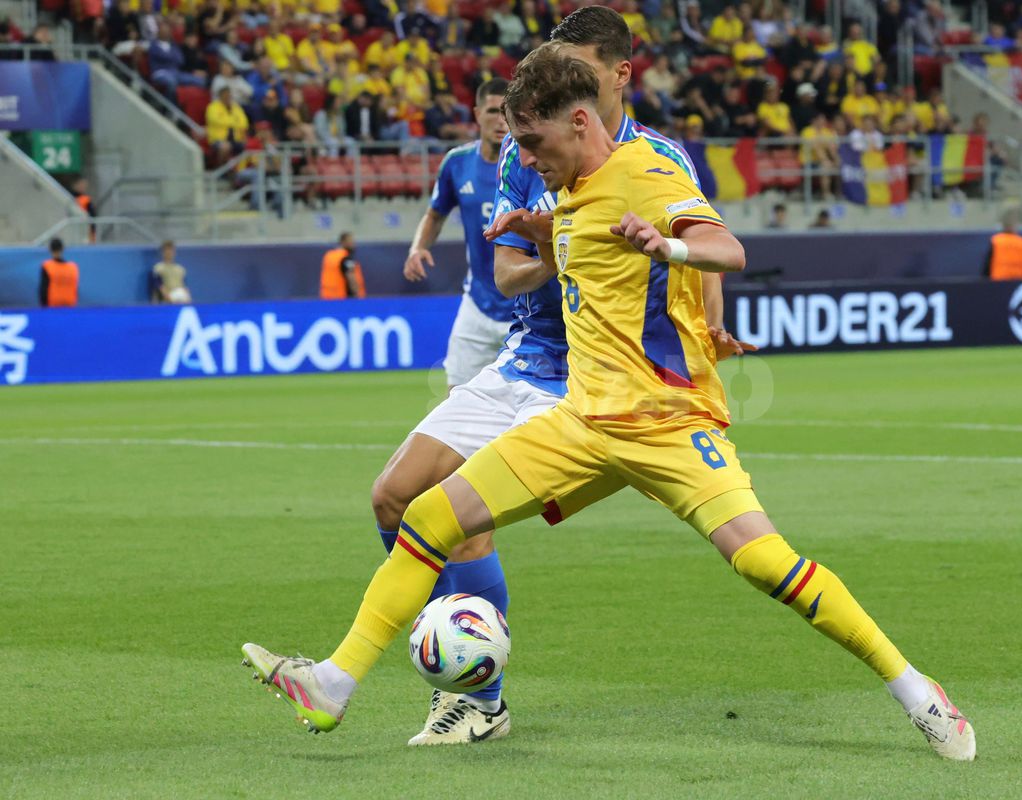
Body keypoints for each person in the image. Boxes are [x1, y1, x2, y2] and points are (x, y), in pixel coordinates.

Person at [241, 46, 975, 764]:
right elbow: (582, 256)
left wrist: (669, 247)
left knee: (764, 562)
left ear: (581, 122)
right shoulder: (566, 189)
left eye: (535, 142)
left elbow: (727, 249)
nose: (526, 159)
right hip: (580, 420)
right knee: (429, 515)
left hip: (664, 422)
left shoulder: (648, 171)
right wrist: (543, 235)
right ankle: (334, 684)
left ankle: (918, 692)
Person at [249, 9, 735, 749]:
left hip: (595, 381)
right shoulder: (523, 152)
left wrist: (711, 328)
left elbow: (700, 246)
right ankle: (455, 660)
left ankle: (476, 698)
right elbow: (507, 274)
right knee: (392, 495)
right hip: (522, 355)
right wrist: (565, 245)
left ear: (616, 76)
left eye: (576, 65)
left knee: (460, 519)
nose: (558, 78)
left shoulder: (660, 158)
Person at [405, 79, 513, 390]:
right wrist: (417, 248)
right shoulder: (457, 163)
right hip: (477, 303)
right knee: (457, 397)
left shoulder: (532, 165)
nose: (500, 120)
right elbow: (435, 214)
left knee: (535, 404)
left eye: (507, 111)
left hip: (525, 308)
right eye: (492, 111)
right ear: (477, 114)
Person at [983, 212, 1022, 280]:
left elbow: (987, 264)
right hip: (1018, 280)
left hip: (999, 279)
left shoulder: (996, 240)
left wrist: (985, 279)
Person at [319, 232, 365, 299]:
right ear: (343, 242)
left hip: (327, 297)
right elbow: (351, 278)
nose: (353, 244)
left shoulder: (329, 255)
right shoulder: (346, 258)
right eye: (351, 242)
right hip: (342, 298)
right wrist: (357, 295)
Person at [39, 238, 79, 308]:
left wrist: (44, 308)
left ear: (50, 249)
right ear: (62, 249)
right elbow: (75, 289)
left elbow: (43, 290)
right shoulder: (73, 268)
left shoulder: (47, 266)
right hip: (70, 306)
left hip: (53, 306)